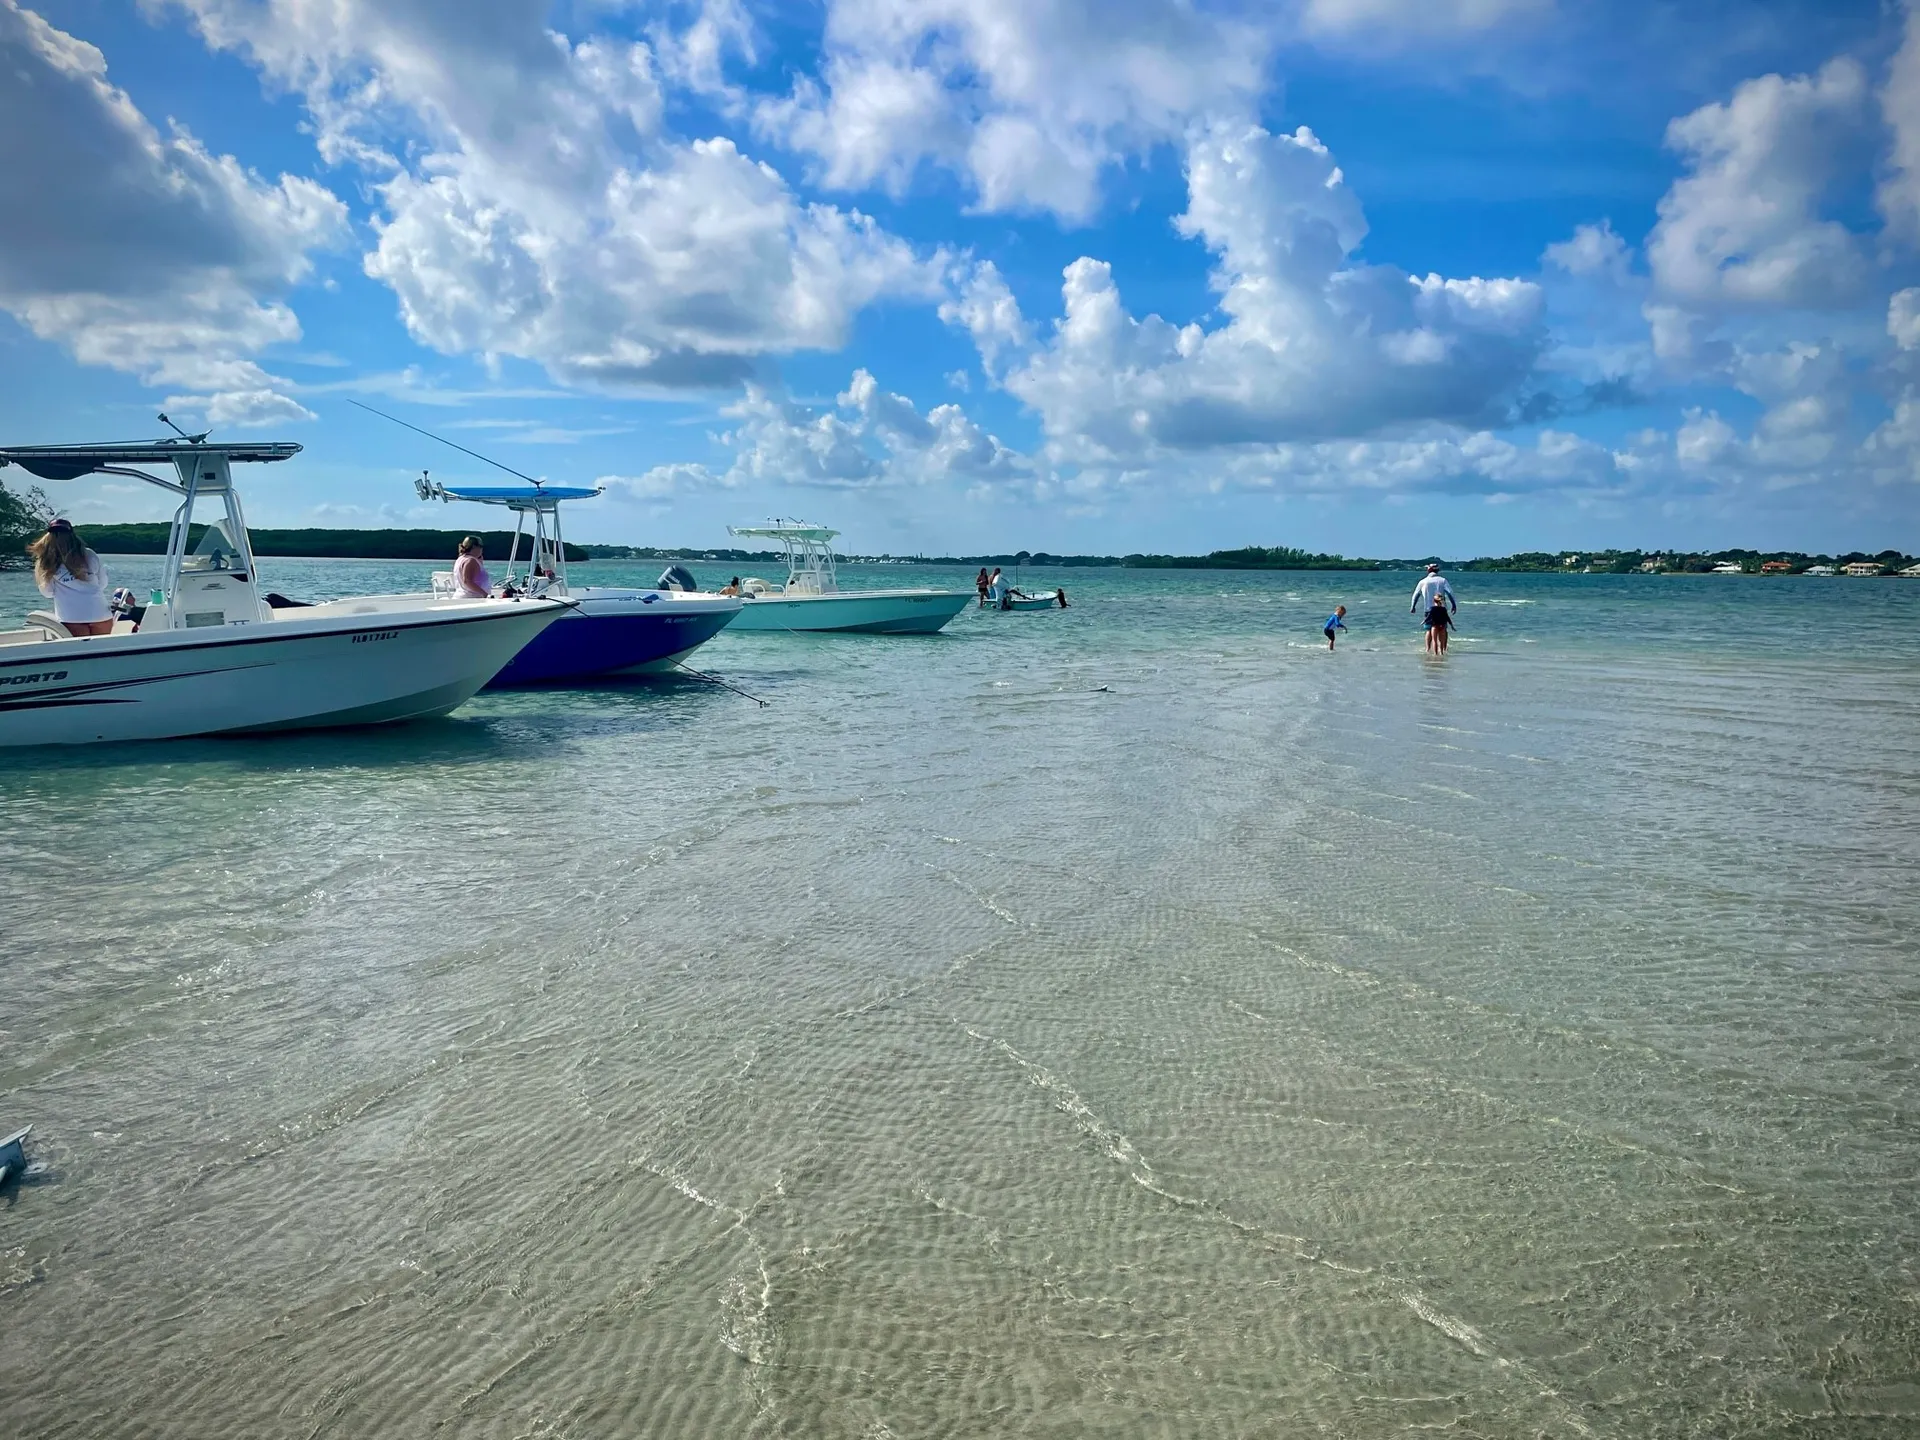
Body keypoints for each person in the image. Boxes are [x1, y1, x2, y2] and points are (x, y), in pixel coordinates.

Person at [28, 519, 113, 636]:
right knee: (101, 647)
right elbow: (103, 583)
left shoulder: (46, 561)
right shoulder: (89, 554)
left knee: (80, 648)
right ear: (72, 535)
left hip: (71, 617)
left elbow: (48, 593)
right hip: (100, 613)